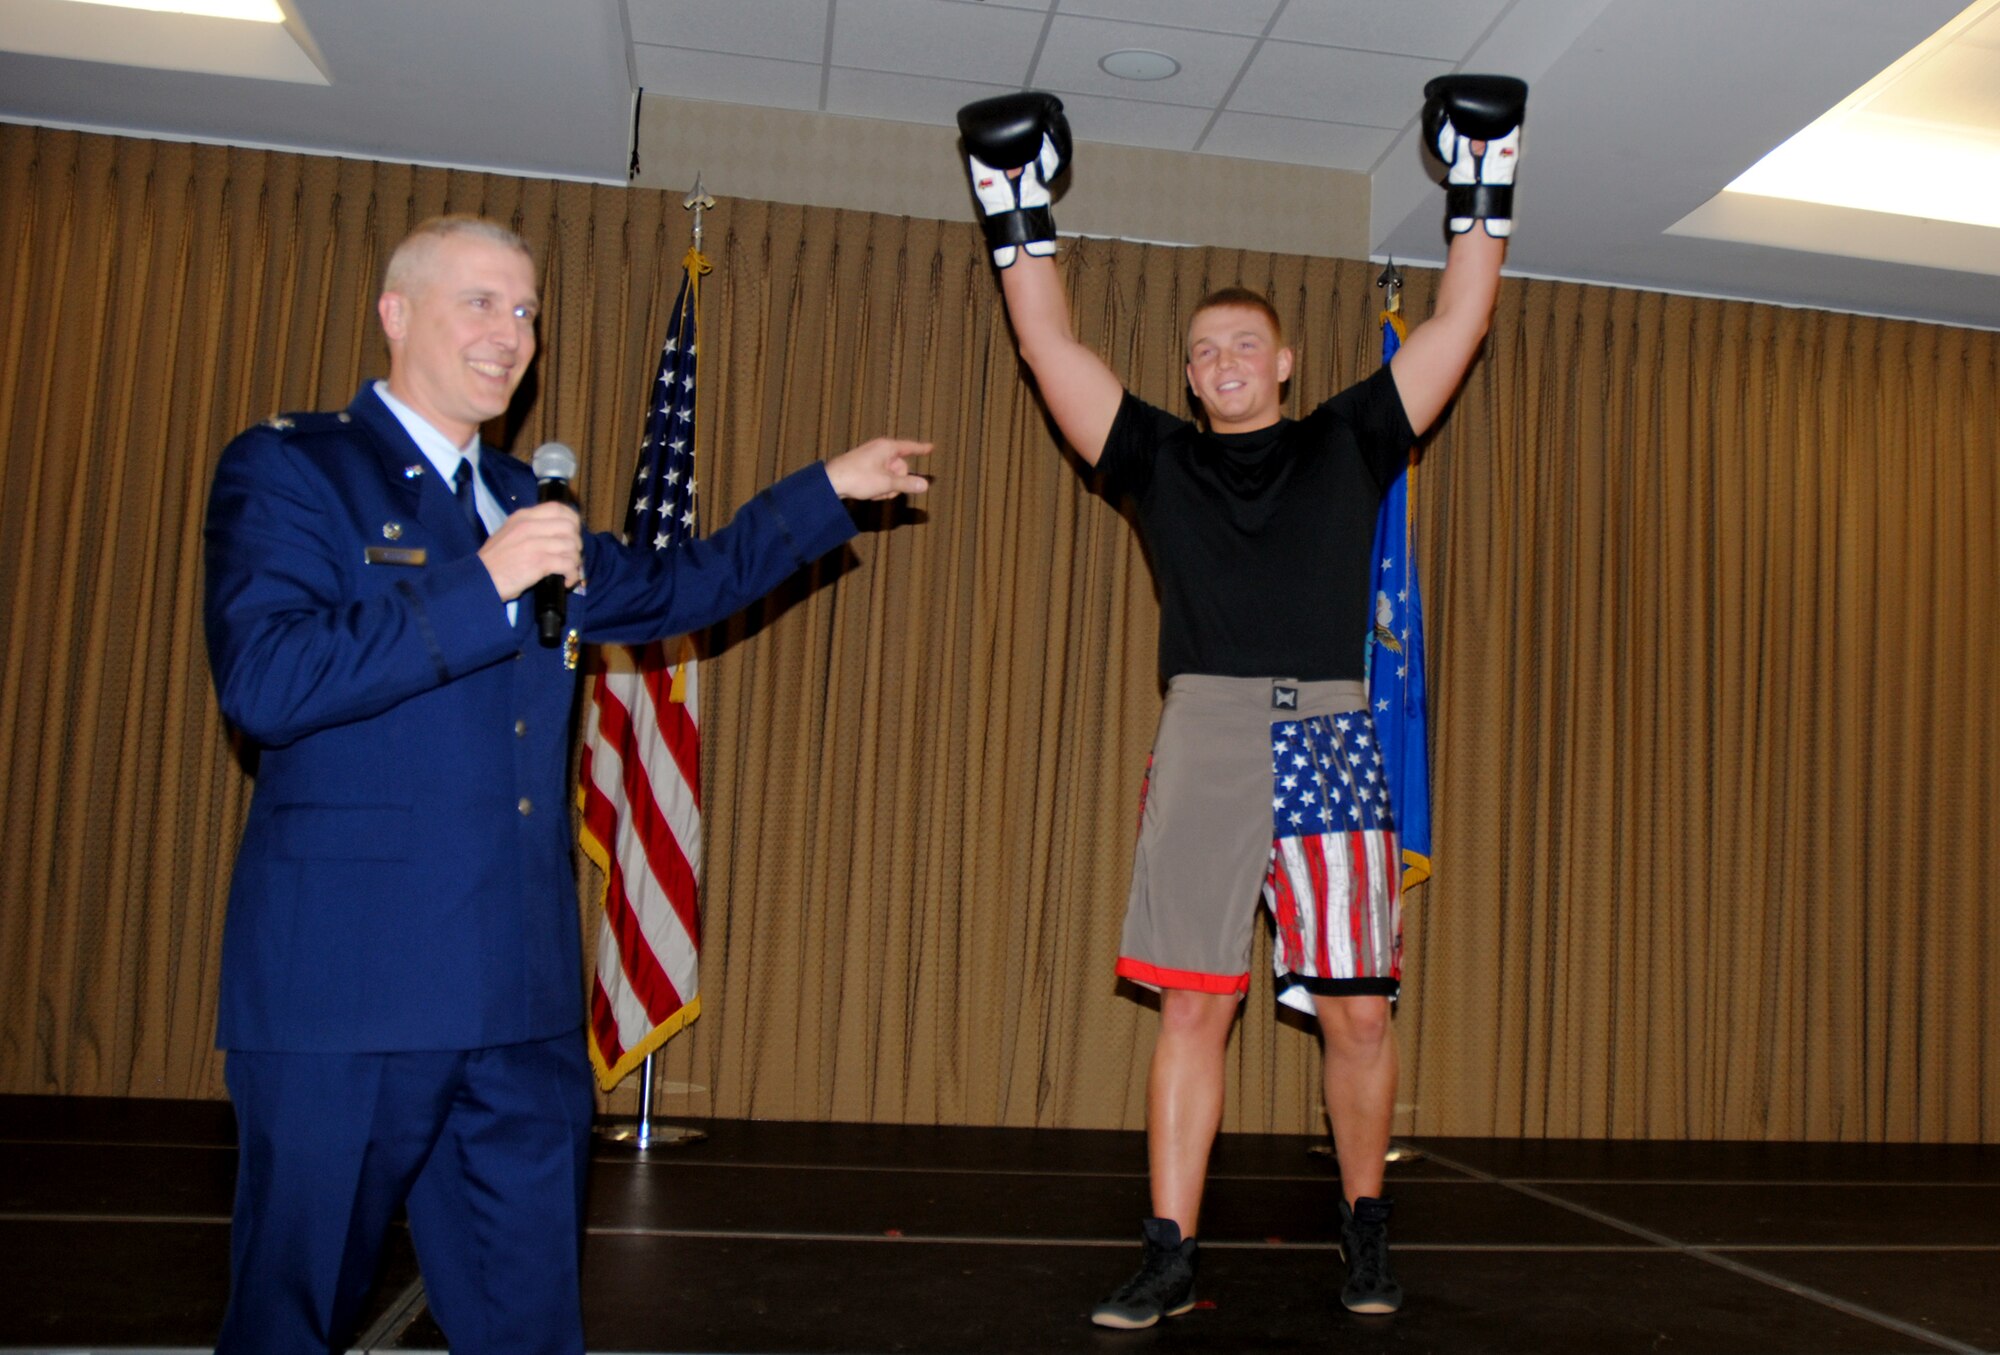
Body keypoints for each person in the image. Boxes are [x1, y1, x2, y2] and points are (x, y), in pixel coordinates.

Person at [202, 214, 930, 1354]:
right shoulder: (296, 467)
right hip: (350, 996)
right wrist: (479, 583)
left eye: (528, 311)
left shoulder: (520, 499)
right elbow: (266, 678)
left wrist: (824, 490)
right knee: (287, 1320)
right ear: (397, 315)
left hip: (517, 1005)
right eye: (481, 303)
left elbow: (685, 583)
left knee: (527, 1324)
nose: (511, 334)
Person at [955, 76, 1523, 1328]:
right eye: (1201, 350)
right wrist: (1015, 200)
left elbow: (1464, 312)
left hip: (1330, 727)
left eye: (1240, 345)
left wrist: (1483, 172)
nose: (1219, 363)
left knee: (1359, 1013)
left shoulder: (1349, 437)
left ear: (1283, 360)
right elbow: (1048, 346)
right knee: (1194, 1003)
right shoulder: (1153, 455)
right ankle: (1168, 1248)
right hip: (1207, 732)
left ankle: (1364, 1227)